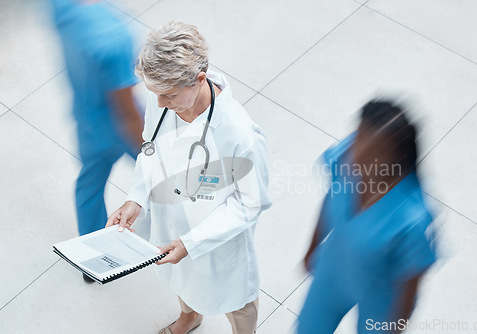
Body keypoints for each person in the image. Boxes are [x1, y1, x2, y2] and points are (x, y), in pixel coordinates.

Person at [106, 22, 271, 334]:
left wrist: (192, 241)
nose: (159, 104)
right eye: (154, 93)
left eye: (167, 95)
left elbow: (249, 205)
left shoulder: (240, 134)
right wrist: (135, 198)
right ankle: (190, 316)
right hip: (171, 218)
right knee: (181, 277)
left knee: (237, 301)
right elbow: (150, 150)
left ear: (199, 80)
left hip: (215, 234)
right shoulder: (165, 103)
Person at [299, 100, 436, 334]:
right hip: (333, 271)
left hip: (380, 296)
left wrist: (394, 328)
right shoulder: (346, 160)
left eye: (376, 152)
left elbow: (409, 285)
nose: (359, 154)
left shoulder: (412, 220)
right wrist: (312, 247)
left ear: (397, 160)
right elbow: (330, 200)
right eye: (359, 136)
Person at [50, 0, 144, 244]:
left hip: (87, 119)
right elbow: (126, 111)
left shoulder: (61, 8)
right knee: (162, 171)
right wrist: (147, 149)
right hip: (121, 125)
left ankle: (92, 253)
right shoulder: (114, 37)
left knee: (88, 186)